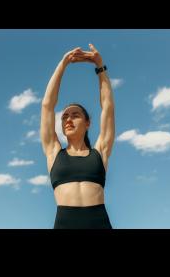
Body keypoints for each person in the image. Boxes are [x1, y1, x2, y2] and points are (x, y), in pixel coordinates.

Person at [40, 43, 115, 229]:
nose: (68, 119)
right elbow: (47, 106)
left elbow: (108, 107)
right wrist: (63, 64)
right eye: (65, 116)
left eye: (75, 115)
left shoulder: (100, 152)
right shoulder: (53, 152)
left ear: (88, 123)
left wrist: (100, 67)